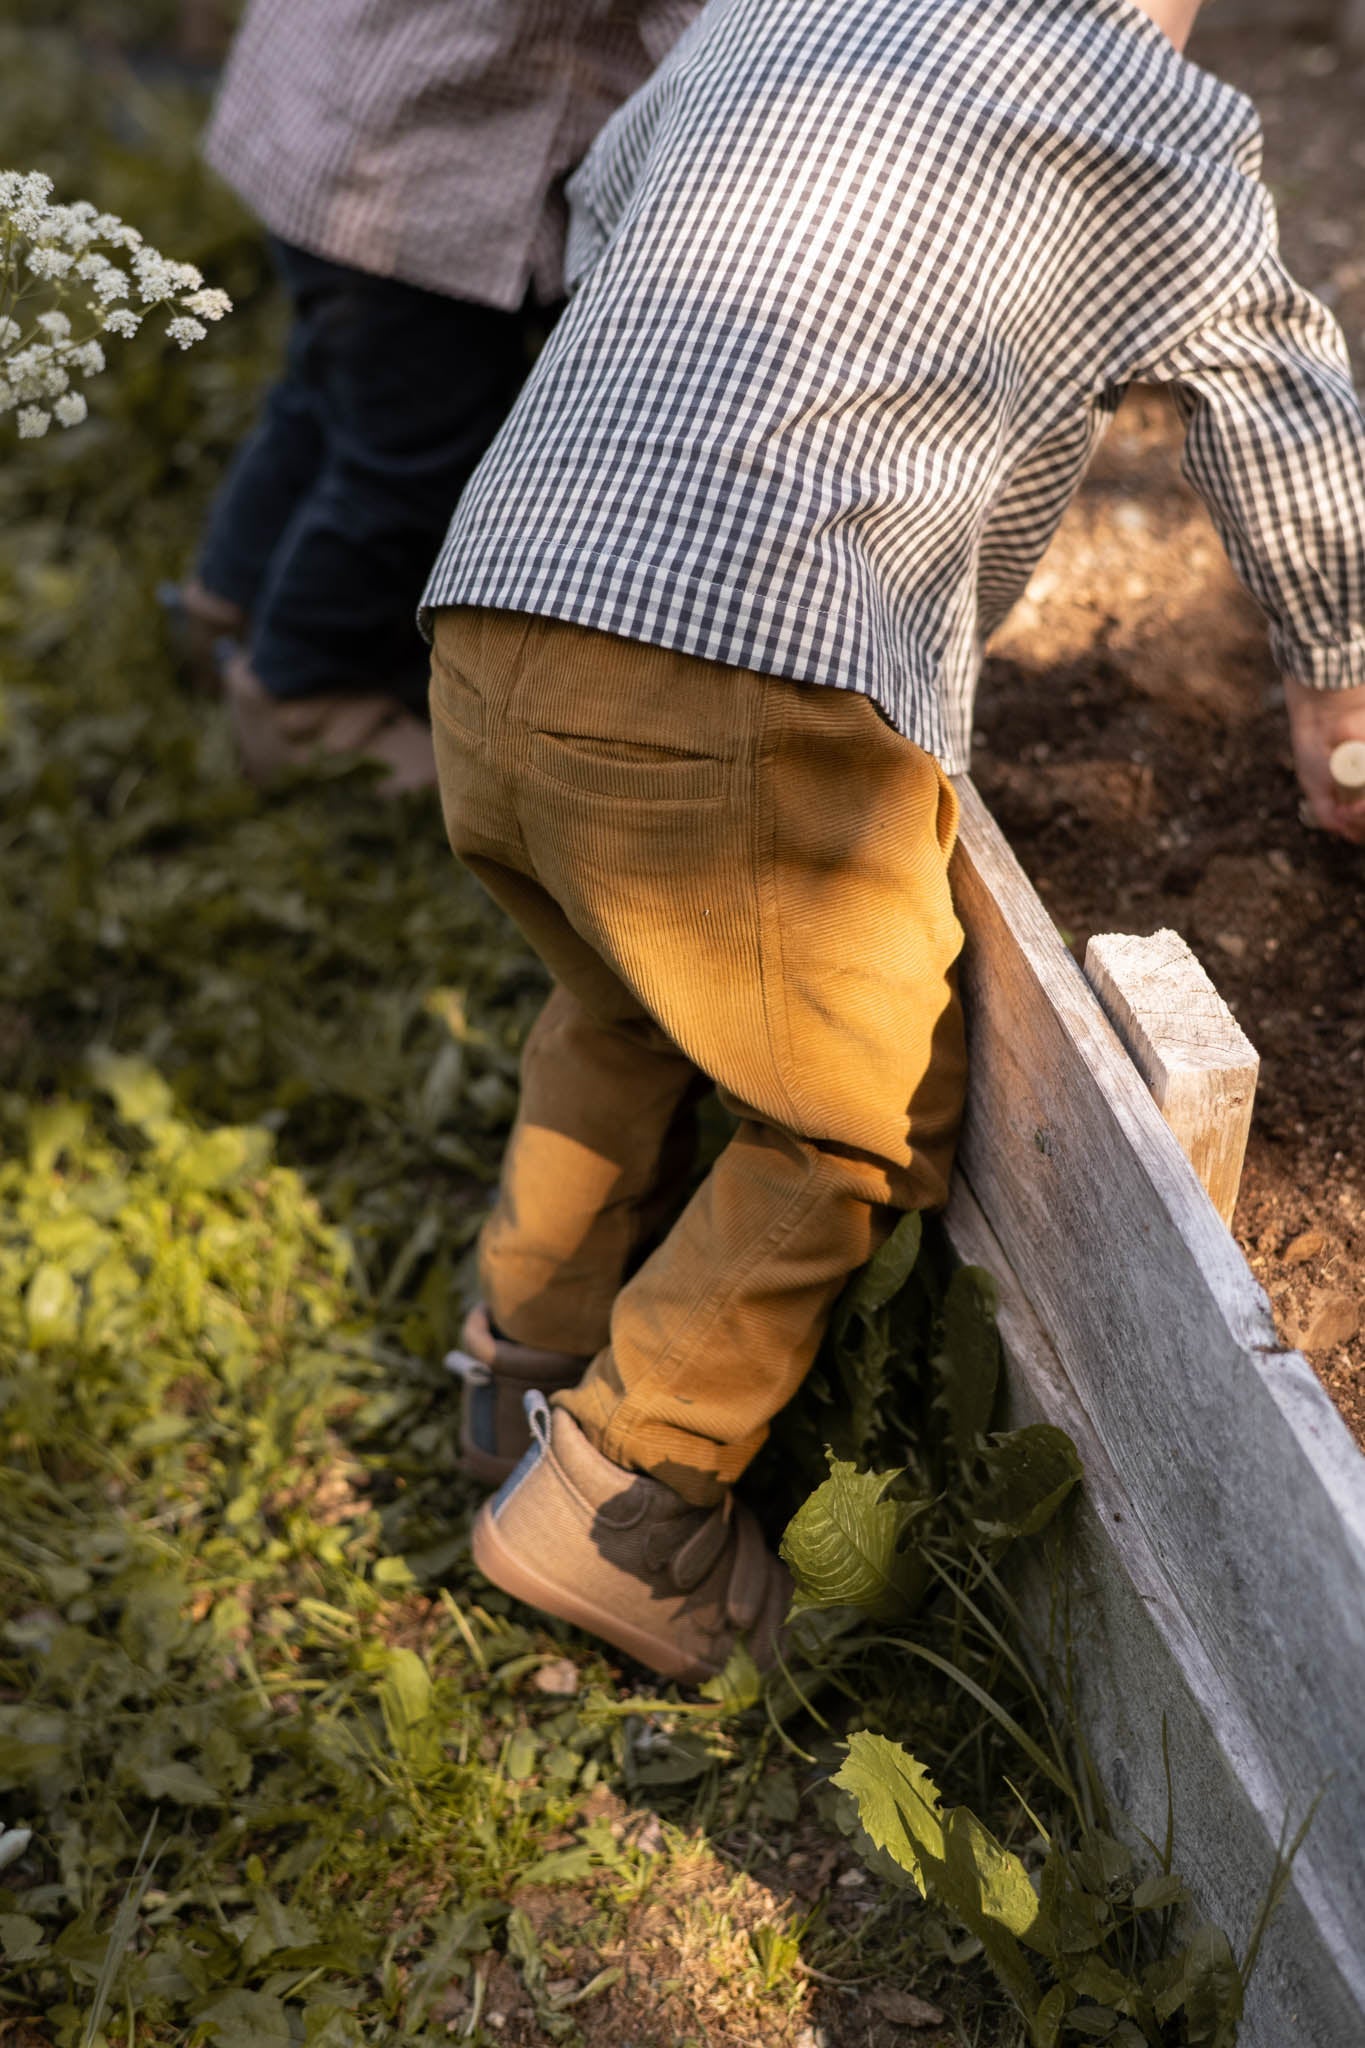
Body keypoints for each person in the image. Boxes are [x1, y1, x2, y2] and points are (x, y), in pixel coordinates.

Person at [427, 0, 1365, 1682]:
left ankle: (520, 1356)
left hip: (498, 608)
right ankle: (629, 1490)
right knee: (855, 1111)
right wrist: (1340, 675)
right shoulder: (1136, 103)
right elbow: (1277, 387)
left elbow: (604, 200)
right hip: (741, 667)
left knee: (627, 995)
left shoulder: (766, 14)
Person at [180, 0, 698, 791]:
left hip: (329, 119)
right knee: (416, 463)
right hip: (423, 190)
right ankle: (309, 698)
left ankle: (227, 606)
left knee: (331, 401)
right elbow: (716, 31)